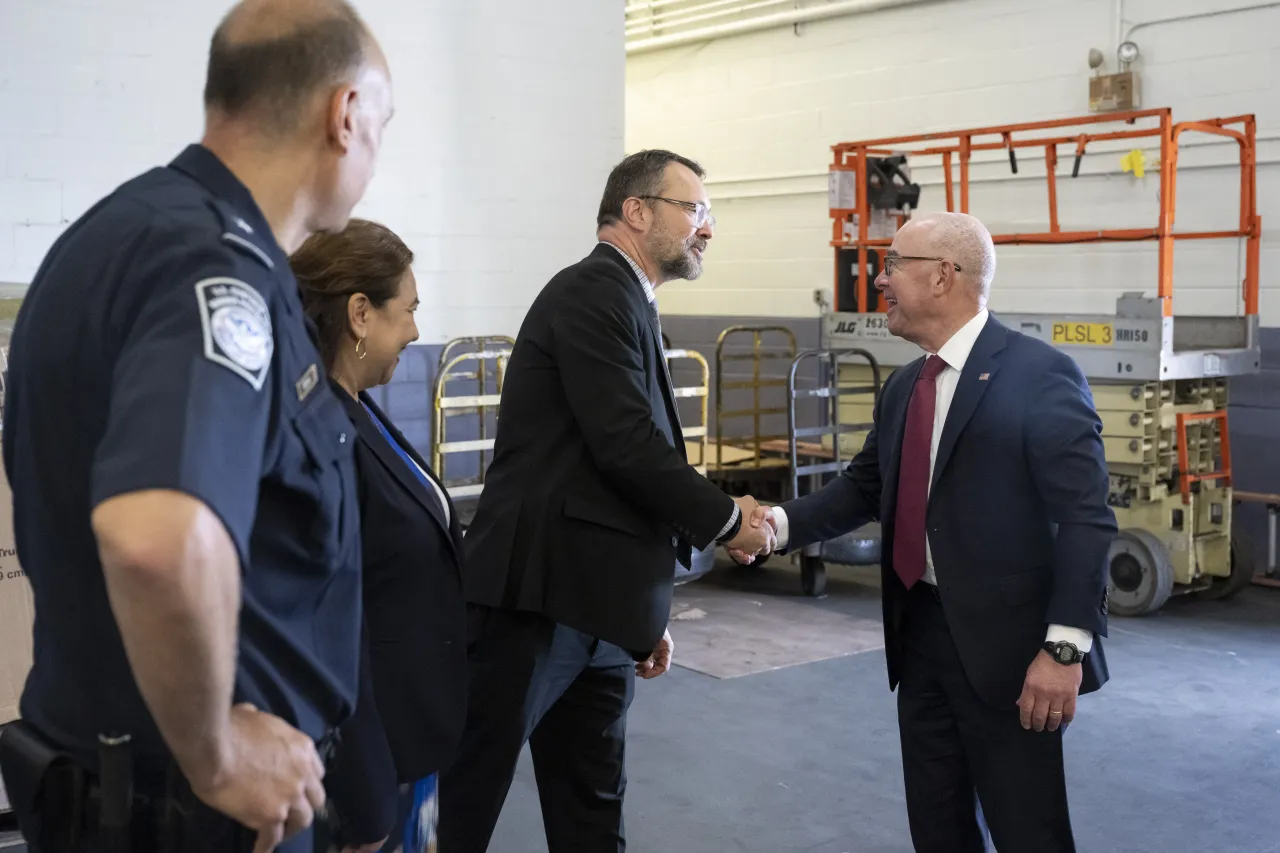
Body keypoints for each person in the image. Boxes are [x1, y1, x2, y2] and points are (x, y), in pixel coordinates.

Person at [0, 2, 395, 850]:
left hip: (116, 776)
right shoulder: (216, 270)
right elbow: (158, 539)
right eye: (381, 126)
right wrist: (216, 755)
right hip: (194, 808)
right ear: (345, 114)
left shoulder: (119, 234)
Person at [734, 211, 1116, 852]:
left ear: (944, 276)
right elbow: (864, 487)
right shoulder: (908, 383)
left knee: (1029, 830)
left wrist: (1064, 649)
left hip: (1013, 652)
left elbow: (1086, 516)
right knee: (938, 827)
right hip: (922, 634)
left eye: (892, 266)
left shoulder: (1038, 374)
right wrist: (774, 525)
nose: (880, 281)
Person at [436, 149, 775, 852]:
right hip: (532, 603)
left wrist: (639, 608)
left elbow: (607, 472)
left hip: (594, 610)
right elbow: (626, 446)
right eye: (696, 210)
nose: (706, 229)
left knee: (591, 811)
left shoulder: (628, 300)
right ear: (638, 210)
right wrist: (727, 520)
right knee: (463, 799)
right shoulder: (594, 292)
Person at [290, 219, 466, 853]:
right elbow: (334, 631)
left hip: (408, 733)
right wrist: (365, 799)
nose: (416, 331)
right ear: (361, 313)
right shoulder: (321, 432)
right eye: (409, 310)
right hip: (370, 757)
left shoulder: (357, 408)